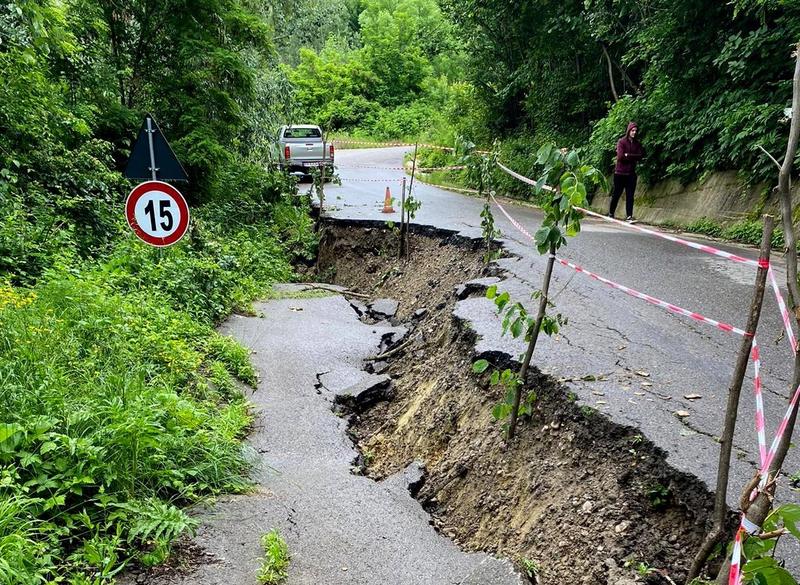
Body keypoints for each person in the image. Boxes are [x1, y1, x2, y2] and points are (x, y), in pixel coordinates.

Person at [609, 122, 644, 222]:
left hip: (631, 173)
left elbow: (640, 156)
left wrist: (628, 155)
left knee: (630, 195)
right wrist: (631, 156)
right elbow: (620, 157)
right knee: (617, 193)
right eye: (632, 130)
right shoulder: (621, 142)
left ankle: (629, 215)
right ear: (629, 131)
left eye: (636, 131)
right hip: (620, 173)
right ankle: (611, 213)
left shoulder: (637, 144)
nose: (634, 132)